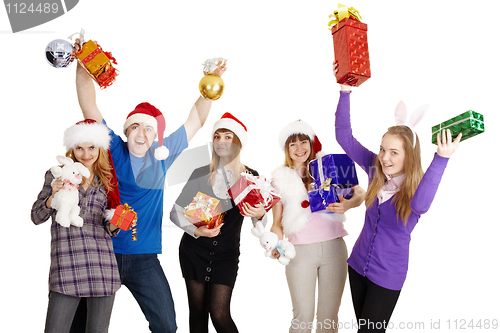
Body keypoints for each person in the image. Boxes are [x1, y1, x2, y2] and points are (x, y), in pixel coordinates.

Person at [72, 38, 227, 332]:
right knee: (82, 324)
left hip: (144, 258)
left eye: (148, 128)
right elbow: (88, 104)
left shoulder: (162, 156)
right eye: (135, 127)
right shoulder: (113, 149)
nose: (141, 133)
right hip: (103, 252)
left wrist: (212, 82)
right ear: (126, 131)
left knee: (166, 325)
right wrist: (83, 65)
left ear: (155, 137)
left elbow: (195, 119)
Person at [334, 79, 462, 332]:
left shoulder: (417, 188)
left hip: (387, 277)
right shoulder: (375, 168)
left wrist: (442, 158)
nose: (384, 157)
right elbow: (344, 137)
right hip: (357, 266)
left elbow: (422, 206)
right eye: (383, 149)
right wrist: (345, 92)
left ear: (408, 156)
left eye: (394, 152)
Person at [170, 112, 267, 333]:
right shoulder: (201, 174)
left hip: (226, 256)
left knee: (220, 313)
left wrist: (260, 214)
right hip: (193, 252)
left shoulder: (249, 177)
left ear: (238, 142)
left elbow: (258, 223)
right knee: (197, 312)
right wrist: (197, 231)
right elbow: (176, 212)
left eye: (228, 136)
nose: (221, 142)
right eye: (217, 136)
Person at [270, 120, 366, 333]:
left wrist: (348, 204)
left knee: (328, 319)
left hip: (334, 248)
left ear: (311, 144)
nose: (299, 148)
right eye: (292, 144)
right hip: (300, 252)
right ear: (286, 149)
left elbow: (360, 193)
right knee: (302, 318)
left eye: (304, 142)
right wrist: (274, 243)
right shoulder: (279, 178)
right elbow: (277, 224)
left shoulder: (327, 167)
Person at [31, 119, 122, 333]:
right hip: (67, 267)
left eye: (92, 147)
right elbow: (36, 216)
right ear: (72, 148)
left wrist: (117, 222)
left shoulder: (107, 180)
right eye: (79, 147)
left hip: (102, 268)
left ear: (100, 149)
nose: (86, 154)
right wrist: (52, 196)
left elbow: (109, 229)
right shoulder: (57, 174)